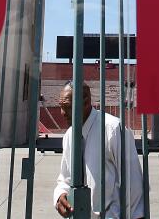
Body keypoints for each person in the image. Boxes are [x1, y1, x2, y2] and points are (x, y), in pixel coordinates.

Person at [53, 83, 145, 218]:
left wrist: (136, 216)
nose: (62, 113)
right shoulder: (69, 136)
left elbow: (132, 181)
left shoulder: (112, 129)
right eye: (61, 107)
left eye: (67, 107)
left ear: (85, 103)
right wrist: (60, 194)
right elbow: (65, 178)